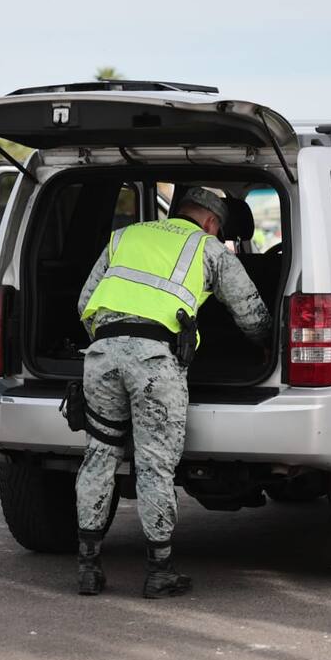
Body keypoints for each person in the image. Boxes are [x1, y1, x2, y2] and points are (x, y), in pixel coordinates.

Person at [74, 188, 271, 598]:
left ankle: (88, 567)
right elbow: (250, 312)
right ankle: (159, 570)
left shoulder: (124, 236)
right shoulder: (210, 249)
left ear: (180, 211)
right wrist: (267, 346)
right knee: (154, 465)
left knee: (99, 456)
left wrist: (115, 338)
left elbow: (85, 302)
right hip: (154, 365)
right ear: (213, 223)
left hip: (101, 355)